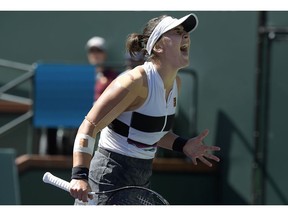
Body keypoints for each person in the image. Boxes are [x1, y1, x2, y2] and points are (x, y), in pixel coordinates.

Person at [69, 13, 221, 205]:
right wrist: (79, 175)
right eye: (177, 32)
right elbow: (89, 125)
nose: (186, 36)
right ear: (157, 46)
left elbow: (151, 133)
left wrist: (183, 145)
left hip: (141, 178)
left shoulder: (176, 84)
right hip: (108, 175)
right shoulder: (133, 82)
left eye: (185, 33)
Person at [86, 36, 118, 101]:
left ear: (105, 54)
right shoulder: (82, 75)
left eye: (98, 50)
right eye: (92, 51)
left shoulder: (113, 76)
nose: (95, 54)